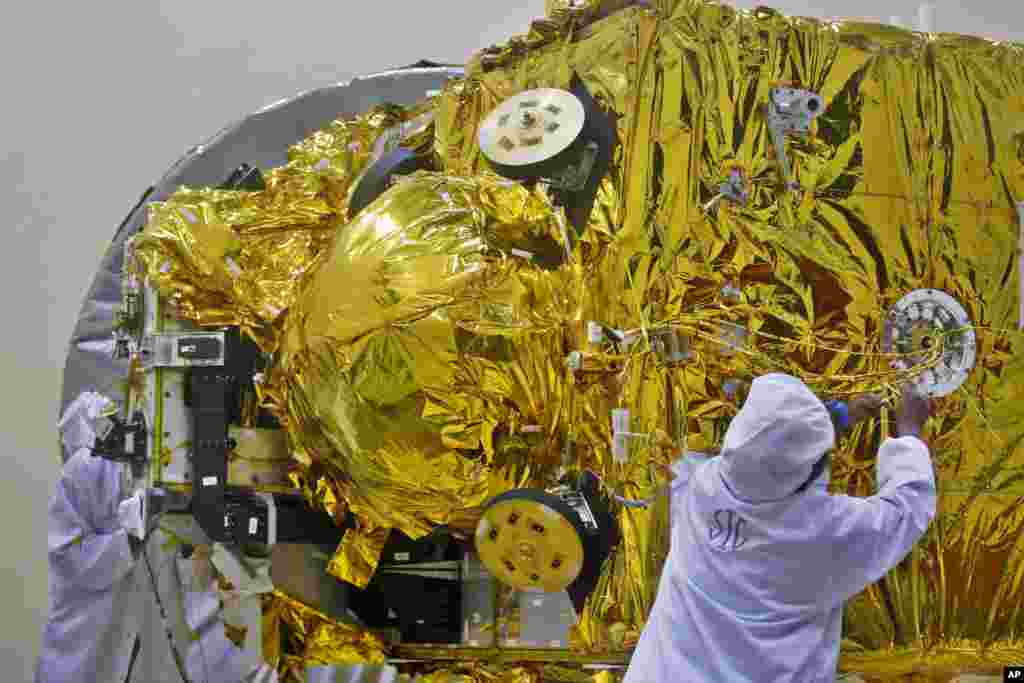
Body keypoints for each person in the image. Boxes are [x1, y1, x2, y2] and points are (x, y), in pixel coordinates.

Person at [624, 373, 935, 683]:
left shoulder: (698, 483)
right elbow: (906, 508)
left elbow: (762, 451)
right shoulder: (820, 530)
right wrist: (910, 433)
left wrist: (833, 419)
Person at [35, 446, 148, 683]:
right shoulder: (89, 467)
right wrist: (130, 538)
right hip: (79, 660)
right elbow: (68, 557)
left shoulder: (185, 478)